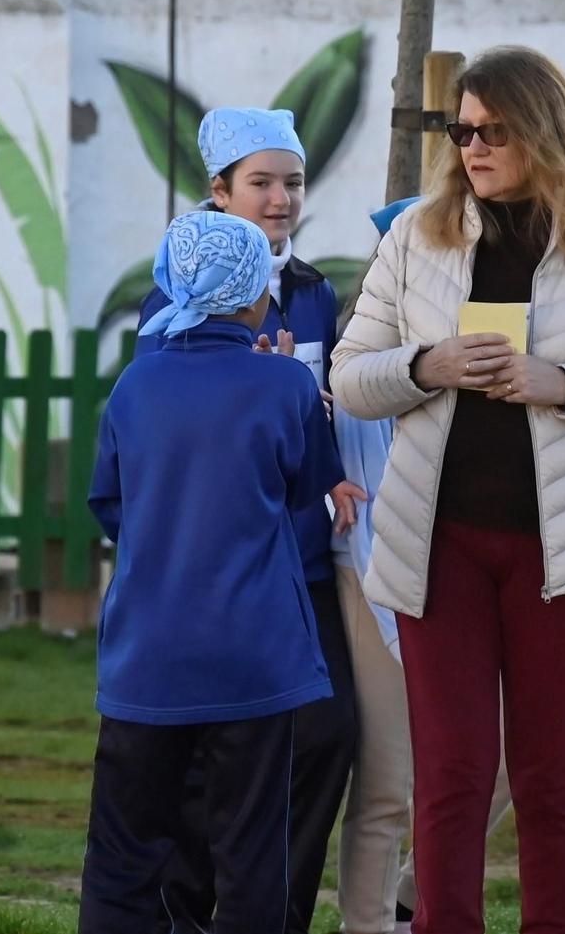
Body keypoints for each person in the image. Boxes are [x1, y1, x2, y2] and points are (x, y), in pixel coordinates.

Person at [330, 45, 565, 934]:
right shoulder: (416, 235)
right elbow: (350, 378)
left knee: (546, 777)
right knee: (452, 773)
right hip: (438, 543)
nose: (472, 148)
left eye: (493, 130)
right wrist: (427, 364)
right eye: (461, 131)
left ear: (545, 128)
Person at [78, 211, 343, 933]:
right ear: (257, 291)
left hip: (146, 657)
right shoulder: (285, 384)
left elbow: (108, 499)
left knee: (122, 855)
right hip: (256, 658)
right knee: (253, 852)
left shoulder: (135, 385)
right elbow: (302, 486)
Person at [138, 107, 362, 934]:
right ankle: (186, 909)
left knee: (328, 732)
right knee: (205, 756)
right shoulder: (176, 294)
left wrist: (325, 447)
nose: (279, 199)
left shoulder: (313, 292)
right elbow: (157, 417)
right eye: (261, 183)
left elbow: (321, 420)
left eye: (292, 182)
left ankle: (277, 913)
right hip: (209, 564)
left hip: (298, 563)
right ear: (219, 191)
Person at [334, 198, 517, 934]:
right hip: (373, 576)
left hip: (468, 582)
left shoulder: (486, 351)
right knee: (386, 780)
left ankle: (416, 897)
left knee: (500, 766)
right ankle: (366, 923)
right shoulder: (361, 363)